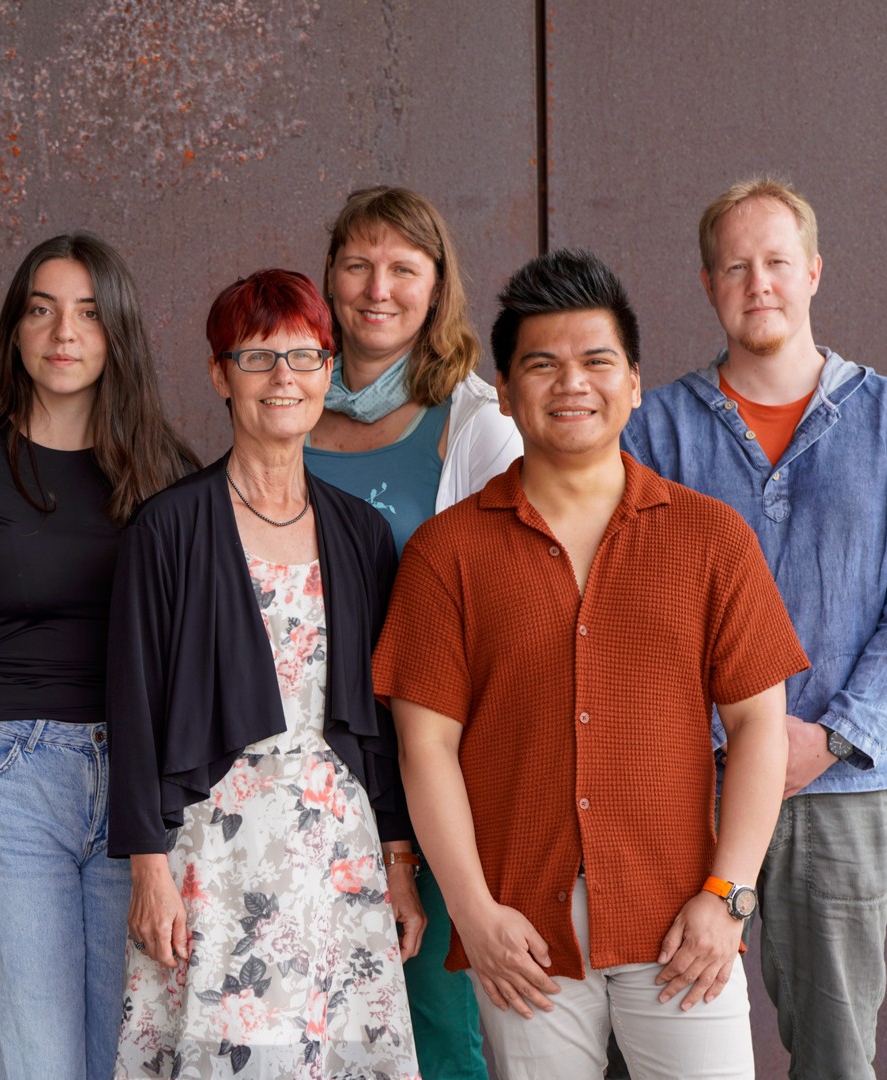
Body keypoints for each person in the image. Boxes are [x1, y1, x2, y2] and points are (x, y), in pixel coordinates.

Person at [373, 249, 810, 1080]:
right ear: (504, 392)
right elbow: (423, 747)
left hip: (682, 921)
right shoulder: (445, 553)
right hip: (520, 934)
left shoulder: (709, 538)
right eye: (542, 364)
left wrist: (729, 898)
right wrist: (473, 912)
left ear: (634, 383)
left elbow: (759, 725)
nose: (571, 383)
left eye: (596, 361)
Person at [623, 178, 887, 1080]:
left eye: (775, 261)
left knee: (835, 1056)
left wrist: (833, 736)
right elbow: (634, 606)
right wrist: (719, 742)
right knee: (669, 1043)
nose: (757, 283)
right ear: (707, 284)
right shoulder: (653, 429)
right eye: (735, 267)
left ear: (812, 272)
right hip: (690, 788)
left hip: (839, 785)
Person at [0, 233, 198, 1080]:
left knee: (125, 1057)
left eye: (89, 313)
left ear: (118, 332)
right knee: (32, 1061)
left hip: (139, 796)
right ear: (15, 329)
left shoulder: (168, 474)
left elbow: (190, 665)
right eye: (42, 309)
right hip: (5, 782)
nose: (63, 332)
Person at [110, 269, 421, 1079]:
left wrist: (398, 863)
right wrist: (148, 870)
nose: (283, 377)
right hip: (216, 851)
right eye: (256, 357)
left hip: (337, 845)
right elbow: (133, 707)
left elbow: (379, 721)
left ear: (328, 371)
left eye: (303, 356)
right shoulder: (167, 528)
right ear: (220, 375)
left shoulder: (360, 533)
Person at [304, 184, 521, 1078]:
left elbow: (510, 603)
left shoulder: (473, 424)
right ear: (329, 279)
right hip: (303, 761)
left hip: (426, 761)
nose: (376, 288)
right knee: (311, 1014)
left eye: (402, 268)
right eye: (356, 265)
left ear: (437, 287)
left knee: (434, 1016)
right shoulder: (283, 403)